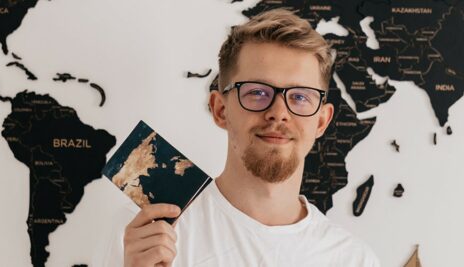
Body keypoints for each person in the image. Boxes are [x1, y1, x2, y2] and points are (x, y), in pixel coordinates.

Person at [108, 8, 380, 267]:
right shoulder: (147, 232)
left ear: (321, 121)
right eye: (257, 92)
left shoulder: (354, 260)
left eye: (299, 97)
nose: (278, 113)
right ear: (220, 109)